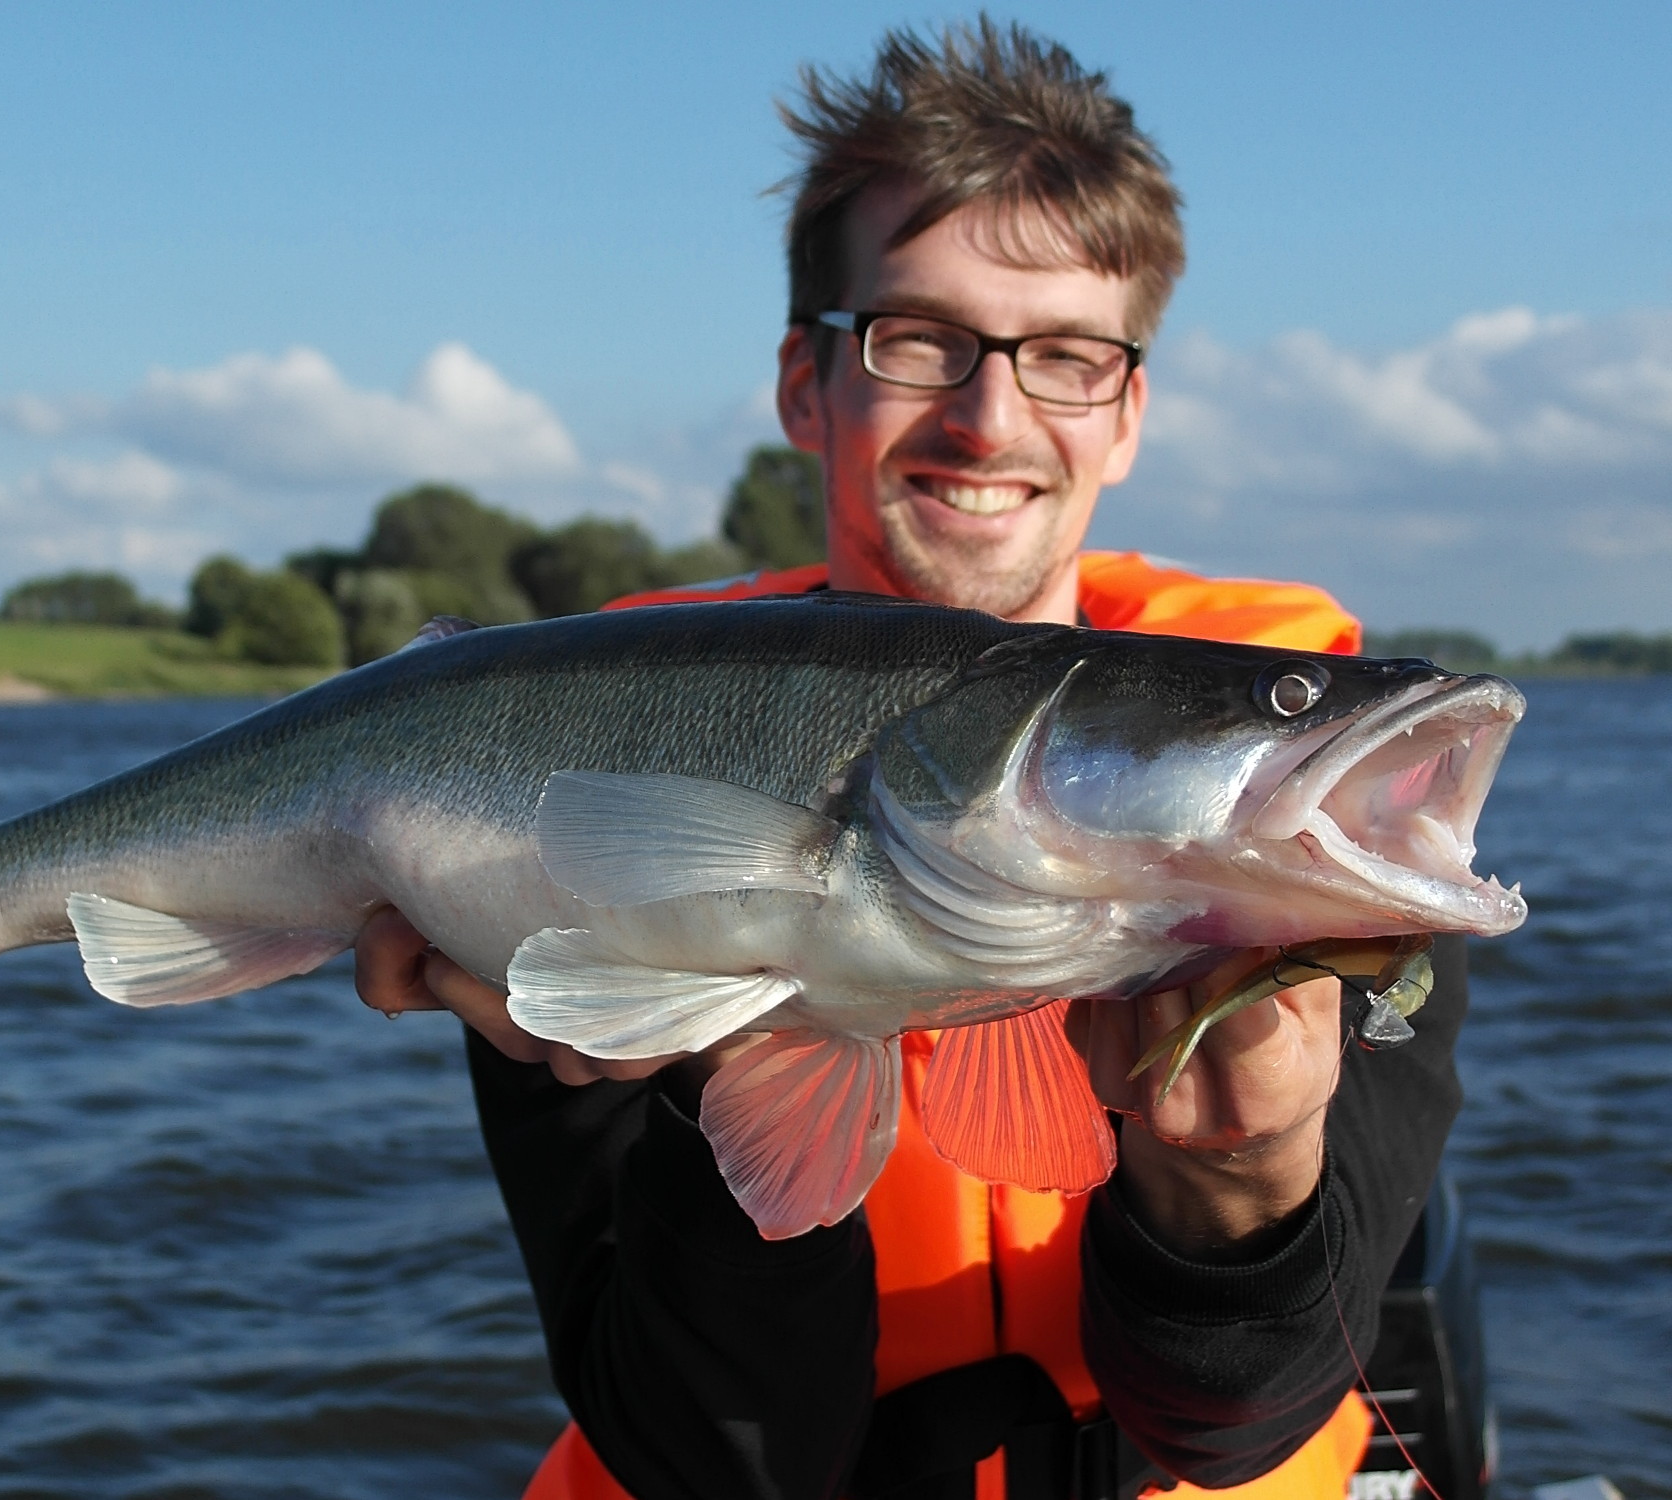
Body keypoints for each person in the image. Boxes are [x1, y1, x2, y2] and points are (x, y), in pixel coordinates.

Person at [356, 20, 1465, 1500]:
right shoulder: (586, 749)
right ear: (806, 385)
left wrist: (1240, 1186)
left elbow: (1237, 1426)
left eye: (1068, 356)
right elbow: (712, 1462)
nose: (991, 416)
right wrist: (706, 1067)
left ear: (1127, 411)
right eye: (920, 338)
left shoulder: (1306, 823)